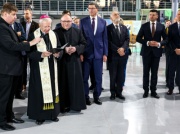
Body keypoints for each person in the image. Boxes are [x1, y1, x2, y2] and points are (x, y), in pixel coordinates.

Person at [0, 3, 41, 131]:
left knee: (10, 95)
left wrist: (21, 42)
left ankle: (9, 116)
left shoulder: (7, 26)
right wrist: (30, 43)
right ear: (5, 14)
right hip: (6, 68)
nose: (15, 17)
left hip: (12, 68)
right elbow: (11, 46)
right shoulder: (1, 27)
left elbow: (13, 43)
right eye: (13, 14)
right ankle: (1, 121)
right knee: (3, 97)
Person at [27, 15, 62, 125]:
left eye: (49, 26)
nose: (48, 28)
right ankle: (40, 116)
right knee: (40, 92)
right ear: (40, 25)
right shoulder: (33, 35)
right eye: (45, 26)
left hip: (52, 67)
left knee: (52, 90)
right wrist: (41, 54)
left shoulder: (53, 34)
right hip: (39, 69)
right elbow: (29, 52)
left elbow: (59, 48)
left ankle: (53, 114)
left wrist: (58, 54)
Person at [54, 14, 87, 113]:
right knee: (62, 83)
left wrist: (76, 48)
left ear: (72, 22)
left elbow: (84, 43)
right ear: (60, 22)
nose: (66, 23)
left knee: (75, 84)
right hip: (61, 62)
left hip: (74, 62)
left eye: (68, 21)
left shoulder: (78, 31)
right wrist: (64, 50)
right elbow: (53, 47)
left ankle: (75, 105)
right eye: (64, 21)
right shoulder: (55, 33)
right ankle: (63, 106)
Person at [80, 1, 108, 105]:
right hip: (86, 54)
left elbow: (104, 39)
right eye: (89, 8)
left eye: (92, 8)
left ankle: (97, 96)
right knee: (85, 77)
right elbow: (80, 39)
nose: (90, 10)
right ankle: (86, 97)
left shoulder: (103, 22)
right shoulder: (83, 21)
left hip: (98, 54)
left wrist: (105, 53)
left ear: (97, 9)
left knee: (98, 77)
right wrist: (81, 53)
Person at [136, 9, 167, 99]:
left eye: (153, 15)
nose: (151, 16)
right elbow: (138, 38)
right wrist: (147, 42)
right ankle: (145, 91)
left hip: (156, 53)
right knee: (146, 72)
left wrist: (159, 44)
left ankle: (153, 91)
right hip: (146, 52)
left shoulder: (161, 26)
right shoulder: (144, 26)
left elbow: (166, 39)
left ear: (157, 16)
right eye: (150, 14)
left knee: (154, 73)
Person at [107, 11, 129, 100]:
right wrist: (117, 49)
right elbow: (108, 41)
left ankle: (119, 92)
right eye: (115, 14)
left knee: (121, 75)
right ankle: (112, 93)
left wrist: (123, 48)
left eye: (118, 14)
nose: (117, 16)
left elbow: (127, 39)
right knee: (113, 75)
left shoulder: (124, 27)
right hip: (113, 55)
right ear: (111, 17)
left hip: (123, 55)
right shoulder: (108, 28)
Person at [21, 7, 39, 91]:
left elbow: (38, 37)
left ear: (31, 14)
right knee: (23, 68)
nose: (25, 15)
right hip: (23, 49)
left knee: (33, 68)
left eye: (27, 13)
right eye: (24, 13)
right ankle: (23, 85)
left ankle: (33, 85)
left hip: (32, 49)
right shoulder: (21, 24)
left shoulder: (36, 25)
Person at [11, 21, 26, 100]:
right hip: (9, 54)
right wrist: (17, 35)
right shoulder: (4, 26)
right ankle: (11, 93)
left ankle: (18, 93)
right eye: (13, 14)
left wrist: (14, 37)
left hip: (20, 53)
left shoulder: (18, 25)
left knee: (20, 74)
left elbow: (24, 36)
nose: (15, 17)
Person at [166, 10, 180, 95]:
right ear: (176, 15)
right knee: (171, 71)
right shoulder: (171, 27)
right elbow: (169, 40)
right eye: (178, 14)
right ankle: (170, 88)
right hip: (173, 53)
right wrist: (175, 49)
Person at [164, 20, 171, 88]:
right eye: (167, 23)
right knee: (168, 65)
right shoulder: (164, 30)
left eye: (169, 23)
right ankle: (167, 81)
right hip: (167, 50)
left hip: (174, 50)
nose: (168, 24)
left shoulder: (173, 30)